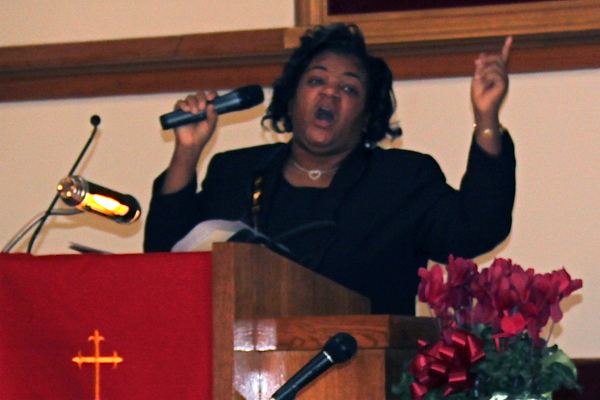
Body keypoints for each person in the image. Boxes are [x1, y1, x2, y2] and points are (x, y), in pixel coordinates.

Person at [144, 23, 516, 315]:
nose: (330, 93)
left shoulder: (401, 180)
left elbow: (477, 228)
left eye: (349, 88)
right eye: (316, 80)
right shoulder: (235, 172)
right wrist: (187, 152)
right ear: (291, 99)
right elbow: (165, 261)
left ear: (368, 115)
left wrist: (487, 119)